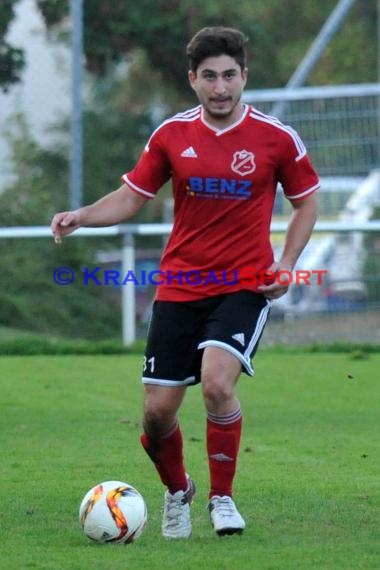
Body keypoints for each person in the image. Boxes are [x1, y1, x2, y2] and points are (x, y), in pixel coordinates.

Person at [51, 26, 319, 539]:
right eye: (210, 77)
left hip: (245, 282)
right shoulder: (171, 135)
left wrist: (286, 261)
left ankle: (223, 499)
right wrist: (82, 214)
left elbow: (306, 200)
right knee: (156, 413)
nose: (221, 88)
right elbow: (132, 196)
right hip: (179, 285)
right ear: (193, 79)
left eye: (230, 76)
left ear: (245, 76)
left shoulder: (276, 138)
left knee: (218, 385)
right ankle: (179, 492)